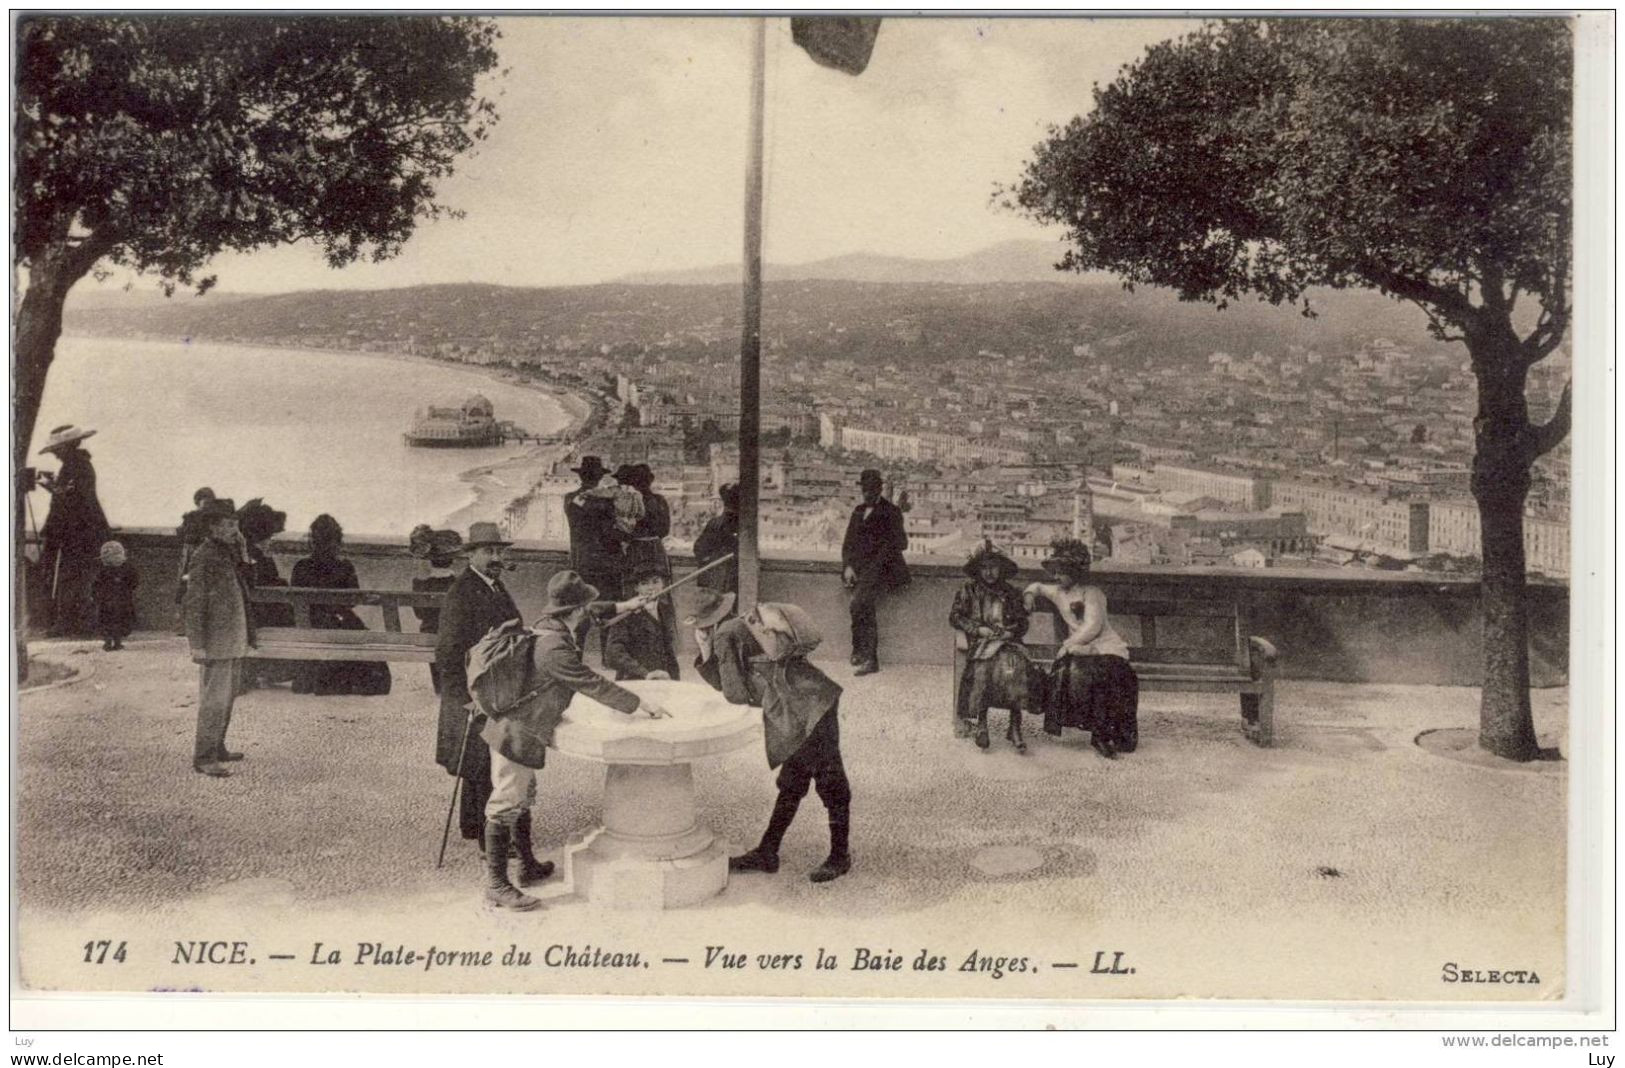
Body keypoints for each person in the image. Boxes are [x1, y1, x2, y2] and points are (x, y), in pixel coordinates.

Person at [478, 570, 672, 910]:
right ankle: (496, 884)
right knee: (507, 802)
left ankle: (528, 865)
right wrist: (640, 704)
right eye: (584, 606)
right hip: (516, 731)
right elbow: (592, 683)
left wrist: (625, 604)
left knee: (524, 796)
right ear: (576, 609)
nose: (588, 611)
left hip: (527, 727)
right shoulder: (554, 648)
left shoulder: (550, 623)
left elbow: (595, 610)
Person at [689, 590, 852, 884]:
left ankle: (839, 856)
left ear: (704, 624)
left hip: (803, 710)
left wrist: (707, 652)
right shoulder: (746, 621)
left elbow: (734, 694)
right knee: (795, 779)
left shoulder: (724, 636)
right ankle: (768, 851)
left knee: (829, 780)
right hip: (812, 697)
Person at [435, 521, 522, 853]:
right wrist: (463, 699)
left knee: (484, 760)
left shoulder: (494, 585)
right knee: (480, 763)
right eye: (488, 551)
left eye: (499, 551)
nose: (495, 557)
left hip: (492, 686)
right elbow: (447, 651)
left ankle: (473, 826)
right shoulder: (462, 592)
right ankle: (490, 840)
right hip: (471, 693)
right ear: (471, 555)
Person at [1024, 538, 1139, 760]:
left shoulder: (1092, 593)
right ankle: (1098, 732)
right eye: (1055, 571)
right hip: (1080, 649)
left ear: (1076, 571)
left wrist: (1069, 645)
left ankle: (1106, 733)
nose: (1057, 577)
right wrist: (1029, 596)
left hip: (1104, 645)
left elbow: (1092, 626)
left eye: (1062, 572)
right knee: (1084, 675)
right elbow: (1036, 587)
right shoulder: (1058, 592)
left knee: (1112, 673)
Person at [183, 498, 250, 777]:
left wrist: (244, 549)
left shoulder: (228, 552)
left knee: (228, 697)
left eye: (236, 524)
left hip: (233, 637)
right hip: (215, 640)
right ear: (212, 527)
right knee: (215, 700)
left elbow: (248, 585)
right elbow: (194, 601)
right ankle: (204, 756)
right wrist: (196, 643)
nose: (234, 530)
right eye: (228, 525)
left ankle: (218, 746)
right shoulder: (204, 555)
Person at [290, 515, 391, 696]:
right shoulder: (344, 566)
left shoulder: (301, 566)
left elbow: (294, 598)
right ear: (338, 540)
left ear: (313, 540)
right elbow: (352, 599)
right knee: (357, 633)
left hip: (309, 622)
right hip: (340, 620)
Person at [949, 540, 1032, 751]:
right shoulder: (969, 591)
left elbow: (1022, 623)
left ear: (1001, 568)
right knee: (983, 670)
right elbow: (955, 617)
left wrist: (1008, 632)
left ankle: (1015, 726)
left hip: (1008, 643)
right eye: (984, 568)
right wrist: (978, 630)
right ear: (977, 570)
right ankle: (982, 724)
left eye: (993, 567)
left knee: (1013, 669)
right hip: (982, 643)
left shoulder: (1011, 593)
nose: (989, 573)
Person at [37, 424, 112, 638]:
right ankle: (77, 623)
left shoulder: (77, 466)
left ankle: (70, 623)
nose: (55, 454)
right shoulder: (79, 465)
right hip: (84, 530)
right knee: (79, 576)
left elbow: (72, 498)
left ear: (67, 447)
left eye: (57, 450)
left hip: (79, 532)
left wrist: (51, 487)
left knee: (73, 576)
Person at [839, 468, 910, 676]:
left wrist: (875, 564)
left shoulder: (892, 512)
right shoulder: (859, 510)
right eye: (865, 489)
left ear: (879, 489)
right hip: (861, 571)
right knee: (858, 606)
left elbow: (901, 543)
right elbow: (848, 543)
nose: (868, 493)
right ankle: (860, 651)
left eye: (872, 489)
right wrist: (848, 567)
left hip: (883, 570)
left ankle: (870, 658)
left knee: (861, 604)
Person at [235, 499, 295, 690]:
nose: (271, 542)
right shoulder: (260, 559)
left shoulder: (241, 554)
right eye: (269, 538)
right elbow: (272, 586)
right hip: (261, 616)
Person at [408, 524, 463, 696]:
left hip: (429, 635)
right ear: (452, 558)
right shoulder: (461, 584)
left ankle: (439, 687)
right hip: (455, 636)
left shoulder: (420, 583)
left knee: (432, 629)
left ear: (430, 558)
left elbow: (419, 614)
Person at [563, 455, 625, 605]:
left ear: (581, 476)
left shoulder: (570, 498)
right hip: (606, 564)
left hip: (580, 561)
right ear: (599, 477)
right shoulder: (606, 501)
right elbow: (611, 532)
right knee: (607, 607)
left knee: (583, 607)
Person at [603, 564, 680, 681]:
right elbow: (613, 655)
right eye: (644, 583)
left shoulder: (665, 609)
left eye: (656, 582)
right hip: (634, 680)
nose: (651, 588)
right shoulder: (626, 613)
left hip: (663, 680)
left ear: (663, 584)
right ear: (636, 588)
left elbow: (669, 653)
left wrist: (675, 682)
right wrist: (644, 673)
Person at [622, 463, 672, 581]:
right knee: (657, 583)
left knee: (637, 585)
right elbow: (665, 530)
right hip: (656, 548)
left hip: (636, 549)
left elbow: (624, 530)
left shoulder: (629, 501)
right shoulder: (659, 500)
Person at [692, 482, 740, 597]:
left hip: (716, 578)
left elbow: (699, 549)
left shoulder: (715, 522)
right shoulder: (742, 524)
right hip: (728, 579)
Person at [92, 540, 139, 652]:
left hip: (106, 602)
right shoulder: (127, 568)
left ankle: (108, 642)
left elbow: (96, 585)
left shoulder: (103, 570)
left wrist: (95, 596)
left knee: (107, 621)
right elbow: (134, 581)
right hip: (122, 600)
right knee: (120, 621)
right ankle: (117, 642)